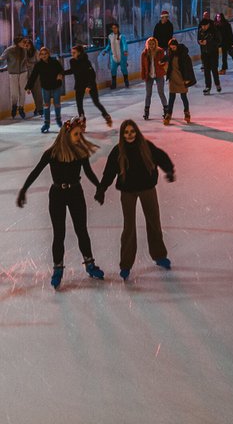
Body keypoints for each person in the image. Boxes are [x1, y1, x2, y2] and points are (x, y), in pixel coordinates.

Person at [17, 118, 106, 288]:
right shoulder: (52, 153)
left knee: (82, 231)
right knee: (59, 234)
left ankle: (90, 264)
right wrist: (24, 190)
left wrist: (100, 188)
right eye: (76, 134)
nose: (79, 137)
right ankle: (58, 268)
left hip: (75, 193)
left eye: (80, 134)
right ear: (66, 134)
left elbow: (88, 172)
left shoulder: (80, 153)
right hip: (57, 195)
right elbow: (36, 172)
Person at [95, 119, 176, 280]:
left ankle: (159, 255)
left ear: (136, 132)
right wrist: (102, 189)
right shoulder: (118, 151)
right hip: (128, 192)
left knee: (154, 221)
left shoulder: (145, 146)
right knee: (129, 227)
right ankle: (126, 264)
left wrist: (169, 170)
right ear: (122, 135)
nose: (129, 135)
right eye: (126, 132)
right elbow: (109, 172)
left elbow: (161, 157)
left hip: (147, 189)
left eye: (132, 132)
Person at [66, 44, 112, 127]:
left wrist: (89, 86)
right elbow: (73, 70)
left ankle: (106, 115)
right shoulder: (72, 61)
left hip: (90, 84)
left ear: (79, 53)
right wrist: (62, 73)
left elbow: (92, 75)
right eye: (71, 53)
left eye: (74, 53)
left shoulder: (86, 61)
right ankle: (82, 120)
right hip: (79, 85)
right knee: (79, 104)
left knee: (96, 102)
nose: (72, 54)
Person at [27, 46, 65, 134]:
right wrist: (28, 87)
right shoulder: (38, 65)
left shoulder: (55, 62)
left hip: (56, 86)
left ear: (48, 54)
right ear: (39, 56)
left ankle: (59, 121)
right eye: (42, 54)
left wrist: (60, 75)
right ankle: (46, 124)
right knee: (46, 106)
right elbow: (33, 76)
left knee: (57, 104)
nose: (44, 56)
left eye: (45, 54)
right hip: (45, 87)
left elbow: (62, 71)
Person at [164, 38, 196, 125]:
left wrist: (188, 79)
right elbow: (166, 59)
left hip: (182, 79)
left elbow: (189, 68)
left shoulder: (183, 55)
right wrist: (162, 61)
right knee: (171, 98)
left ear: (177, 46)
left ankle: (187, 113)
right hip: (173, 79)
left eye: (174, 47)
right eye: (171, 47)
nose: (172, 49)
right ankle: (168, 114)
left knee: (183, 97)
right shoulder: (170, 53)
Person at [1, 36, 30, 119]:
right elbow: (2, 58)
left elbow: (27, 59)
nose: (25, 43)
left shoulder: (25, 49)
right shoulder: (10, 50)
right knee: (14, 92)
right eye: (23, 42)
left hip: (23, 72)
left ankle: (21, 108)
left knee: (22, 91)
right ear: (18, 42)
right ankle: (14, 106)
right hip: (13, 73)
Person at [142, 36, 169, 120]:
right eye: (149, 44)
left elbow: (165, 61)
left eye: (153, 44)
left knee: (161, 92)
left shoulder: (160, 51)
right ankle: (146, 112)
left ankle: (166, 110)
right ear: (147, 44)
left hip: (159, 74)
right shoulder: (144, 53)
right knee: (148, 94)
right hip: (149, 75)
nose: (151, 46)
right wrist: (143, 75)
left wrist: (162, 64)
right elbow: (143, 66)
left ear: (155, 44)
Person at [197, 16, 223, 95]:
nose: (203, 27)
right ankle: (208, 86)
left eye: (204, 26)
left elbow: (219, 41)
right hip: (204, 54)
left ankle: (217, 84)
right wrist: (200, 42)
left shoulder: (214, 30)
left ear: (208, 25)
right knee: (206, 71)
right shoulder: (201, 31)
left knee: (214, 70)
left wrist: (208, 42)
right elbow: (198, 39)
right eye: (202, 26)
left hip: (213, 53)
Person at [102, 22, 130, 89]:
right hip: (113, 56)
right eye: (113, 28)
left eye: (115, 28)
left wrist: (125, 51)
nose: (114, 29)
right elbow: (109, 45)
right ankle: (114, 84)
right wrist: (105, 50)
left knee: (124, 69)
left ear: (118, 28)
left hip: (122, 56)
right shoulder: (110, 36)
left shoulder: (122, 36)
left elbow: (124, 44)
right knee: (113, 69)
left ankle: (126, 82)